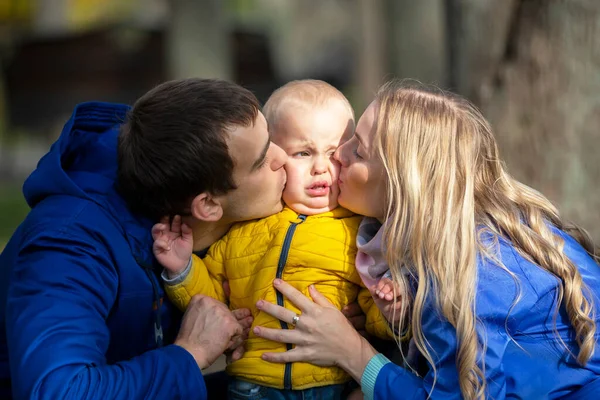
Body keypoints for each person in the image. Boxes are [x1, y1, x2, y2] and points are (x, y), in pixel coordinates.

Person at [251, 80, 600, 399]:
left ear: (401, 182)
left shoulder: (461, 271)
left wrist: (352, 351)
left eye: (356, 150)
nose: (338, 158)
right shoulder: (467, 229)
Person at [0, 78, 290, 399]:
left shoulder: (188, 197)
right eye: (262, 160)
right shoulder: (68, 246)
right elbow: (59, 392)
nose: (284, 157)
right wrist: (192, 353)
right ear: (207, 205)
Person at [152, 80, 398, 399]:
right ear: (275, 157)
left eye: (333, 154)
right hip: (252, 384)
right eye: (303, 153)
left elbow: (372, 310)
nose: (321, 168)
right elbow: (211, 304)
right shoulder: (244, 229)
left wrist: (390, 310)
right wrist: (183, 270)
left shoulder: (359, 232)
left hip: (328, 383)